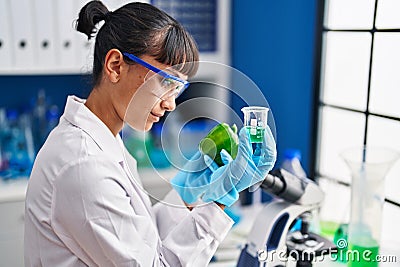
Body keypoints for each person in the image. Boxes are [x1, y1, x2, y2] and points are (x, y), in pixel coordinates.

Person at [24, 1, 277, 266]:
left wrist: (187, 193)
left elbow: (143, 239)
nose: (171, 104)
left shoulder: (105, 142)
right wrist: (220, 200)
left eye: (177, 89)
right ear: (115, 66)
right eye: (166, 82)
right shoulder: (83, 164)